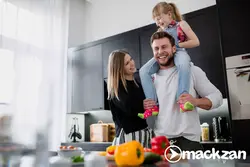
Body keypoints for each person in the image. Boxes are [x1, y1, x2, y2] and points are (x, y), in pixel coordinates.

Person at [144, 31, 223, 151]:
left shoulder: (192, 71)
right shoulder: (151, 79)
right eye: (156, 48)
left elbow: (217, 97)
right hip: (160, 143)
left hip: (188, 142)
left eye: (164, 47)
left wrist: (195, 101)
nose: (160, 52)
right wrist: (146, 105)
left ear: (174, 48)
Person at [138, 2, 200, 119]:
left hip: (179, 51)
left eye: (159, 18)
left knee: (183, 64)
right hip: (164, 55)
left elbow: (196, 41)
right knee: (143, 71)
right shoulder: (159, 32)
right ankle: (153, 106)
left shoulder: (181, 25)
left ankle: (183, 101)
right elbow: (157, 49)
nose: (158, 22)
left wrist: (177, 45)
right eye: (156, 20)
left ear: (169, 14)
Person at [107, 50, 154, 147]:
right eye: (127, 63)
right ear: (119, 68)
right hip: (128, 136)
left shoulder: (137, 83)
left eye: (131, 59)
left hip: (143, 133)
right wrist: (143, 105)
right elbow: (129, 108)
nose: (132, 63)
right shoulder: (116, 88)